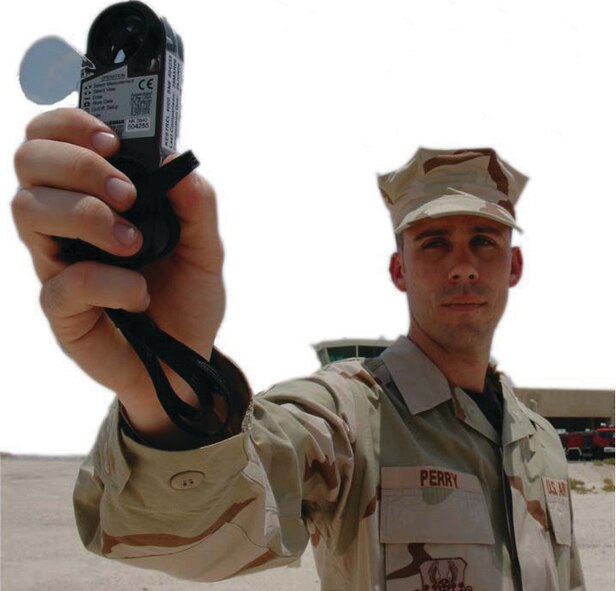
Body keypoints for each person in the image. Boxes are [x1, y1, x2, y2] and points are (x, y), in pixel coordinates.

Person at [12, 108, 585, 591]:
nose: (462, 265)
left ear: (513, 266)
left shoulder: (536, 439)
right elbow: (203, 531)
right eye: (434, 242)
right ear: (399, 270)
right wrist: (169, 391)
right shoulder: (348, 415)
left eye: (484, 242)